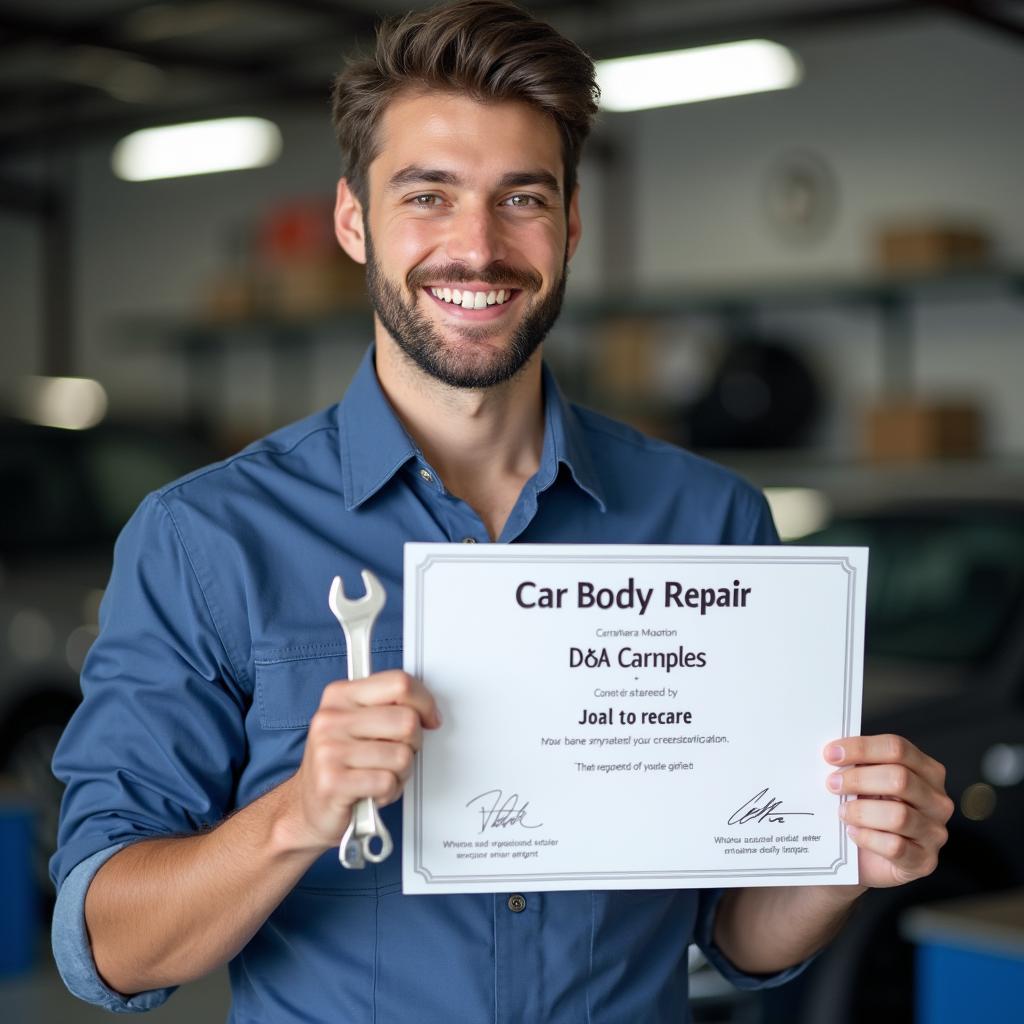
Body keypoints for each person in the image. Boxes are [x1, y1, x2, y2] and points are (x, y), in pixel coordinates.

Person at [51, 2, 953, 1020]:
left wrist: (839, 855)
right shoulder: (205, 541)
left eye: (519, 198)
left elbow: (733, 935)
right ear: (355, 221)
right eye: (427, 196)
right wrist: (298, 813)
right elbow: (106, 945)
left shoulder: (708, 522)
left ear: (569, 225)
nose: (475, 248)